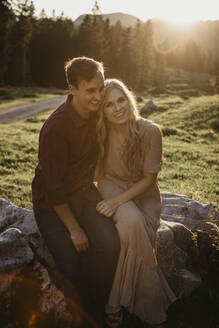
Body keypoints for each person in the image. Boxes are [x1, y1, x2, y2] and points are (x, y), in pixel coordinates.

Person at [32, 58, 120, 322]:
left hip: (84, 193)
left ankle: (96, 308)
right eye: (90, 90)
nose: (97, 96)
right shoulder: (56, 129)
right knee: (71, 266)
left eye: (100, 89)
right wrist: (74, 228)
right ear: (72, 89)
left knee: (110, 244)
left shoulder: (97, 114)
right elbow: (53, 187)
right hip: (51, 204)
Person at [96, 79, 176, 327]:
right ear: (103, 112)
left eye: (121, 100)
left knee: (136, 227)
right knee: (132, 222)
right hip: (110, 185)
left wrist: (118, 201)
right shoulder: (99, 133)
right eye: (109, 105)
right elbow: (96, 174)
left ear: (129, 99)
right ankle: (138, 302)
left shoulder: (151, 131)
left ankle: (116, 301)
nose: (117, 108)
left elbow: (148, 179)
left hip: (144, 195)